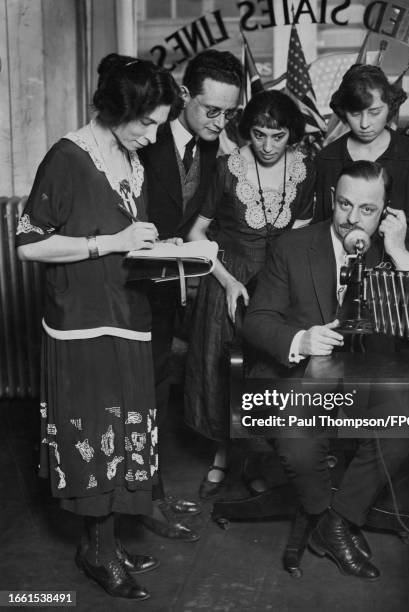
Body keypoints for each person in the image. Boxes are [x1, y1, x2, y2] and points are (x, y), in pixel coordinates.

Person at [16, 54, 181, 601]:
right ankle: (98, 549)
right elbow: (30, 243)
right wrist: (107, 243)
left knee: (125, 432)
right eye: (146, 122)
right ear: (114, 109)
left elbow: (124, 232)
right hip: (82, 325)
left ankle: (106, 540)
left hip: (128, 314)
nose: (153, 135)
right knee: (94, 437)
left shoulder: (131, 159)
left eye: (158, 123)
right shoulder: (67, 157)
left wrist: (160, 247)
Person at [243, 161, 409, 580]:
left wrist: (400, 256)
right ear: (331, 200)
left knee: (402, 429)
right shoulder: (293, 245)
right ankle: (328, 518)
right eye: (344, 205)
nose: (352, 219)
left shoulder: (396, 248)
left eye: (367, 210)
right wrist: (300, 339)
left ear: (386, 212)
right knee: (298, 443)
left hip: (367, 379)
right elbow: (257, 319)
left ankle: (333, 521)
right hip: (302, 375)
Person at [184, 90, 316, 499]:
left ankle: (260, 459)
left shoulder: (306, 169)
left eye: (277, 136)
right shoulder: (227, 168)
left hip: (281, 284)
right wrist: (227, 281)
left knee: (273, 375)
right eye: (259, 135)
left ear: (291, 134)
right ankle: (225, 457)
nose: (268, 146)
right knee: (227, 373)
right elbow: (195, 234)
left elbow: (303, 236)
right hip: (231, 279)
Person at [138, 49, 243, 538]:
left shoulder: (211, 148)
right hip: (126, 290)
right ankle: (141, 502)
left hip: (166, 295)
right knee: (135, 397)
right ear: (184, 96)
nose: (221, 122)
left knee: (156, 392)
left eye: (229, 113)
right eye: (211, 110)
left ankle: (152, 495)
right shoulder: (142, 136)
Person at [314, 63, 409, 274]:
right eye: (355, 113)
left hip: (396, 269)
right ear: (343, 112)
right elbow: (320, 229)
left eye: (374, 112)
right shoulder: (327, 158)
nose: (364, 124)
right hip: (338, 270)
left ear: (390, 107)